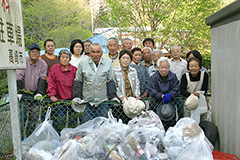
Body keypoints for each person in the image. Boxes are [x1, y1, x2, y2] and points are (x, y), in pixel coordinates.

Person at [72, 43, 117, 122]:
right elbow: (78, 81)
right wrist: (77, 96)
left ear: (102, 53)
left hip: (102, 102)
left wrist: (113, 96)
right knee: (87, 128)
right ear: (89, 52)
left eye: (98, 52)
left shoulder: (108, 63)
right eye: (93, 52)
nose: (95, 54)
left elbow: (110, 81)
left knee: (103, 127)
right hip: (87, 102)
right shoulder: (83, 63)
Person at [16, 43, 47, 136]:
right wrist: (19, 92)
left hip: (35, 95)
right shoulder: (23, 62)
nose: (34, 54)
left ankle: (30, 136)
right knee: (22, 117)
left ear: (39, 53)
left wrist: (40, 93)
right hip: (24, 94)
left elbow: (43, 78)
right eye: (32, 52)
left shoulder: (43, 64)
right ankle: (20, 137)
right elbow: (18, 76)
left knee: (34, 118)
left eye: (37, 52)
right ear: (29, 53)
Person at [47, 49, 78, 131]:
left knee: (73, 121)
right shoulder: (54, 68)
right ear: (59, 58)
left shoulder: (74, 69)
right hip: (59, 99)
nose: (64, 59)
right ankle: (58, 137)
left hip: (72, 99)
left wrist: (77, 96)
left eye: (67, 57)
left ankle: (73, 139)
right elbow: (51, 82)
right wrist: (52, 95)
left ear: (70, 59)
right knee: (60, 120)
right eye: (62, 57)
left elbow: (78, 84)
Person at [113, 50, 140, 123]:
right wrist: (121, 96)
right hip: (120, 103)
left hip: (132, 102)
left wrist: (137, 95)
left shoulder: (133, 70)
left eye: (128, 58)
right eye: (123, 58)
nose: (125, 60)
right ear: (119, 59)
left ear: (131, 60)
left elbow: (137, 84)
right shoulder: (114, 71)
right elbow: (114, 86)